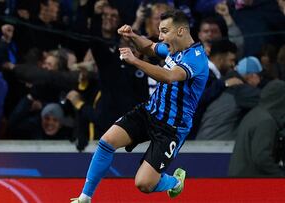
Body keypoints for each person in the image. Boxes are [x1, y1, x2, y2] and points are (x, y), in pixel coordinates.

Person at [71, 9, 209, 203]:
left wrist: (134, 61)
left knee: (144, 184)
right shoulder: (172, 49)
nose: (160, 36)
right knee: (107, 141)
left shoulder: (196, 59)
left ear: (181, 31)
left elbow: (169, 76)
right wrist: (133, 36)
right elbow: (151, 47)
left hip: (172, 127)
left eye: (164, 31)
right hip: (149, 111)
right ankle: (85, 197)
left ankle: (175, 182)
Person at [228, 80, 285, 177]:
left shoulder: (255, 113)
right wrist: (280, 175)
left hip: (240, 178)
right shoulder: (266, 122)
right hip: (252, 182)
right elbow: (262, 157)